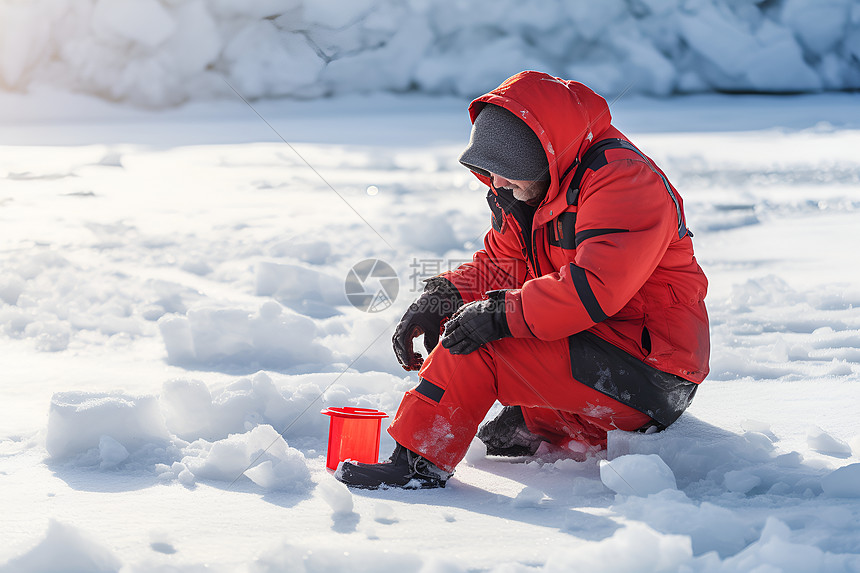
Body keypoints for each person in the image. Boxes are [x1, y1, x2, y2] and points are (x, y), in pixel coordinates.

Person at [337, 70, 710, 489]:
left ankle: (416, 466)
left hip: (650, 370)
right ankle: (555, 420)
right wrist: (442, 297)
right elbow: (504, 263)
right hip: (591, 346)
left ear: (539, 157)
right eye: (489, 171)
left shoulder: (623, 181)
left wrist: (497, 316)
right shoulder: (528, 190)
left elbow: (591, 289)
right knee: (483, 348)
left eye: (504, 170)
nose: (495, 183)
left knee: (480, 344)